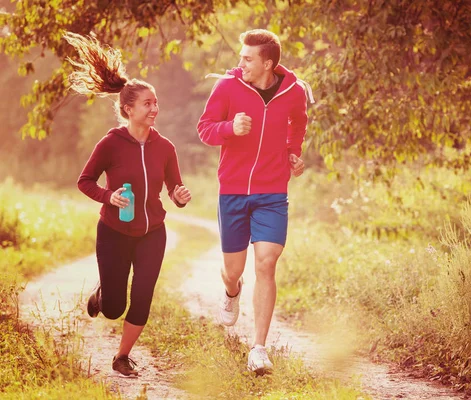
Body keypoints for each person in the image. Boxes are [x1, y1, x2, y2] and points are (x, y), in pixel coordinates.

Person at [64, 32, 192, 378]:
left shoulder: (165, 147)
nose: (155, 108)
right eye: (148, 103)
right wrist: (109, 196)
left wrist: (179, 196)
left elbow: (174, 186)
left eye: (156, 102)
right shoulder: (111, 144)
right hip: (114, 231)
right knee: (113, 307)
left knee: (143, 295)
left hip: (153, 231)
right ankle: (103, 293)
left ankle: (122, 357)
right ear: (128, 109)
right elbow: (84, 181)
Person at [197, 28, 313, 375]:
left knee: (266, 262)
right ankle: (232, 291)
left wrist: (294, 152)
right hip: (232, 190)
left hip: (272, 192)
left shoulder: (293, 91)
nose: (240, 63)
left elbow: (299, 122)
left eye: (247, 59)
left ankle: (258, 348)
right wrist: (231, 128)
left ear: (268, 63)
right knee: (233, 270)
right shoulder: (228, 87)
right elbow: (204, 128)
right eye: (240, 57)